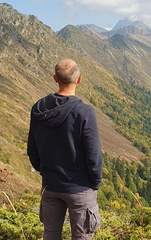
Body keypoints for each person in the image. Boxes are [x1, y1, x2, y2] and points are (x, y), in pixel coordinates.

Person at [27, 58, 102, 240]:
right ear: (79, 79)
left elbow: (32, 150)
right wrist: (95, 182)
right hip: (80, 187)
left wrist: (46, 172)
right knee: (82, 237)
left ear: (55, 78)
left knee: (50, 235)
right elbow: (93, 155)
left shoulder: (38, 109)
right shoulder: (84, 113)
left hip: (50, 185)